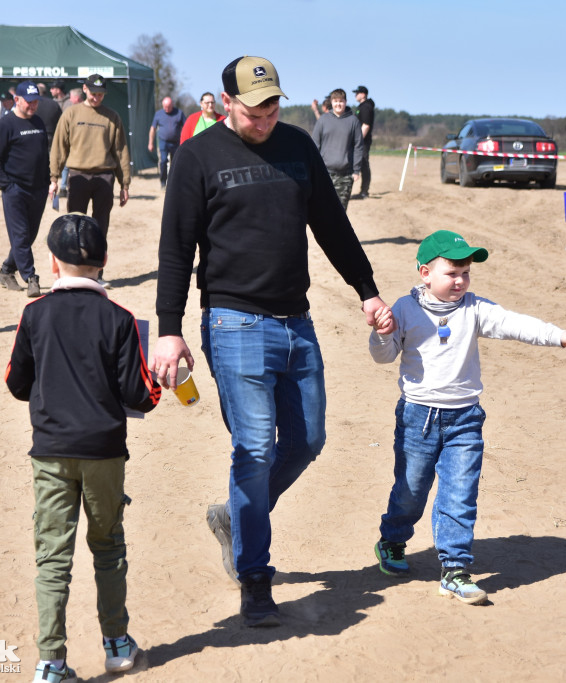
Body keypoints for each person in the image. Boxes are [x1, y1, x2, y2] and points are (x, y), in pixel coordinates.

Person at [151, 55, 395, 628]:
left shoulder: (297, 146)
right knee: (254, 448)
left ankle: (236, 517)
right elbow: (174, 250)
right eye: (255, 106)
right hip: (233, 323)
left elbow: (332, 224)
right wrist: (169, 330)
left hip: (296, 322)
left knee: (307, 440)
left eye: (273, 104)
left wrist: (367, 290)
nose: (265, 115)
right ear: (226, 101)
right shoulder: (197, 156)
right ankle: (255, 578)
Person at [369, 230, 566, 604]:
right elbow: (384, 356)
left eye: (466, 273)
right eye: (452, 272)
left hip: (466, 419)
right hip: (417, 418)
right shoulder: (405, 310)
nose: (460, 280)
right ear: (425, 273)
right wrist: (380, 333)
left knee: (460, 494)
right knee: (410, 491)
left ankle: (455, 570)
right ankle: (392, 539)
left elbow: (514, 323)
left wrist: (556, 335)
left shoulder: (474, 308)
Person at [5, 213, 161, 683]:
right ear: (105, 260)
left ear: (53, 263)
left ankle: (51, 661)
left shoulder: (34, 314)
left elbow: (16, 383)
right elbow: (141, 397)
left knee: (53, 556)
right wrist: (158, 379)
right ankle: (116, 643)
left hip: (50, 451)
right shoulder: (121, 320)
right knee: (108, 546)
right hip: (104, 452)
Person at [49, 73, 130, 283]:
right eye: (93, 93)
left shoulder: (112, 117)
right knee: (74, 227)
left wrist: (124, 184)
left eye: (101, 94)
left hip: (104, 177)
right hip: (77, 176)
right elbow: (59, 147)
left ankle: (96, 274)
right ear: (85, 89)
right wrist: (54, 178)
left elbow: (121, 150)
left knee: (100, 228)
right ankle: (71, 271)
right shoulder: (71, 114)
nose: (97, 98)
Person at [0, 81, 50, 298]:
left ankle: (6, 271)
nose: (33, 106)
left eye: (36, 102)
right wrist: (7, 185)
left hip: (39, 190)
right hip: (15, 190)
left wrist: (47, 180)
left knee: (28, 237)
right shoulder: (5, 125)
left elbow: (43, 154)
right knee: (21, 235)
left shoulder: (39, 122)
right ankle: (31, 277)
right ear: (17, 100)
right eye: (29, 102)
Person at [311, 88, 363, 209]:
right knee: (323, 209)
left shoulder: (353, 121)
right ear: (331, 102)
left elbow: (358, 146)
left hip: (345, 175)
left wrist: (356, 170)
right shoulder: (323, 120)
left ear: (345, 102)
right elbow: (314, 145)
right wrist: (313, 169)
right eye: (335, 101)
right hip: (324, 174)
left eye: (341, 101)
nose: (338, 104)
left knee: (340, 211)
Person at [147, 96, 183, 189]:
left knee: (175, 163)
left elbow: (186, 126)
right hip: (163, 142)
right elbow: (153, 129)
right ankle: (163, 182)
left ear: (172, 105)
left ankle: (174, 183)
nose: (166, 109)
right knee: (163, 161)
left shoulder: (179, 113)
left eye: (169, 107)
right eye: (165, 107)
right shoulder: (158, 114)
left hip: (176, 142)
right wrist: (150, 143)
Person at [351, 85, 375, 199]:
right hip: (361, 141)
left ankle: (364, 191)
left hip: (363, 141)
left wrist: (358, 141)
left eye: (357, 93)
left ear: (363, 94)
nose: (355, 95)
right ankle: (363, 191)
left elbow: (365, 125)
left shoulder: (366, 107)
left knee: (364, 164)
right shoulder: (362, 106)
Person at [33, 83, 62, 152]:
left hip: (34, 136)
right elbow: (60, 121)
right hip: (51, 137)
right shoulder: (54, 104)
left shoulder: (32, 104)